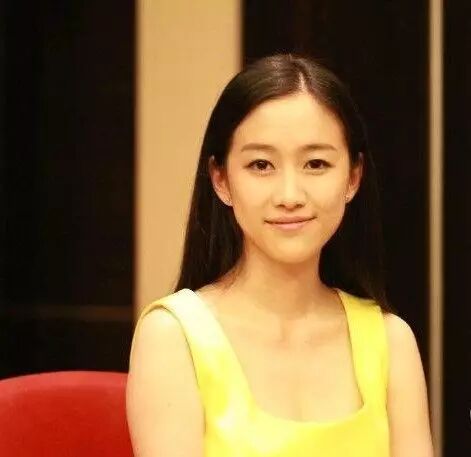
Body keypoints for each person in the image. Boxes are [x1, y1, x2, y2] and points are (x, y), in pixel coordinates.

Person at [126, 54, 434, 457]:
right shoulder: (173, 337)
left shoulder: (391, 342)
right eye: (261, 165)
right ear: (221, 179)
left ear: (353, 177)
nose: (290, 195)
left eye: (316, 164)